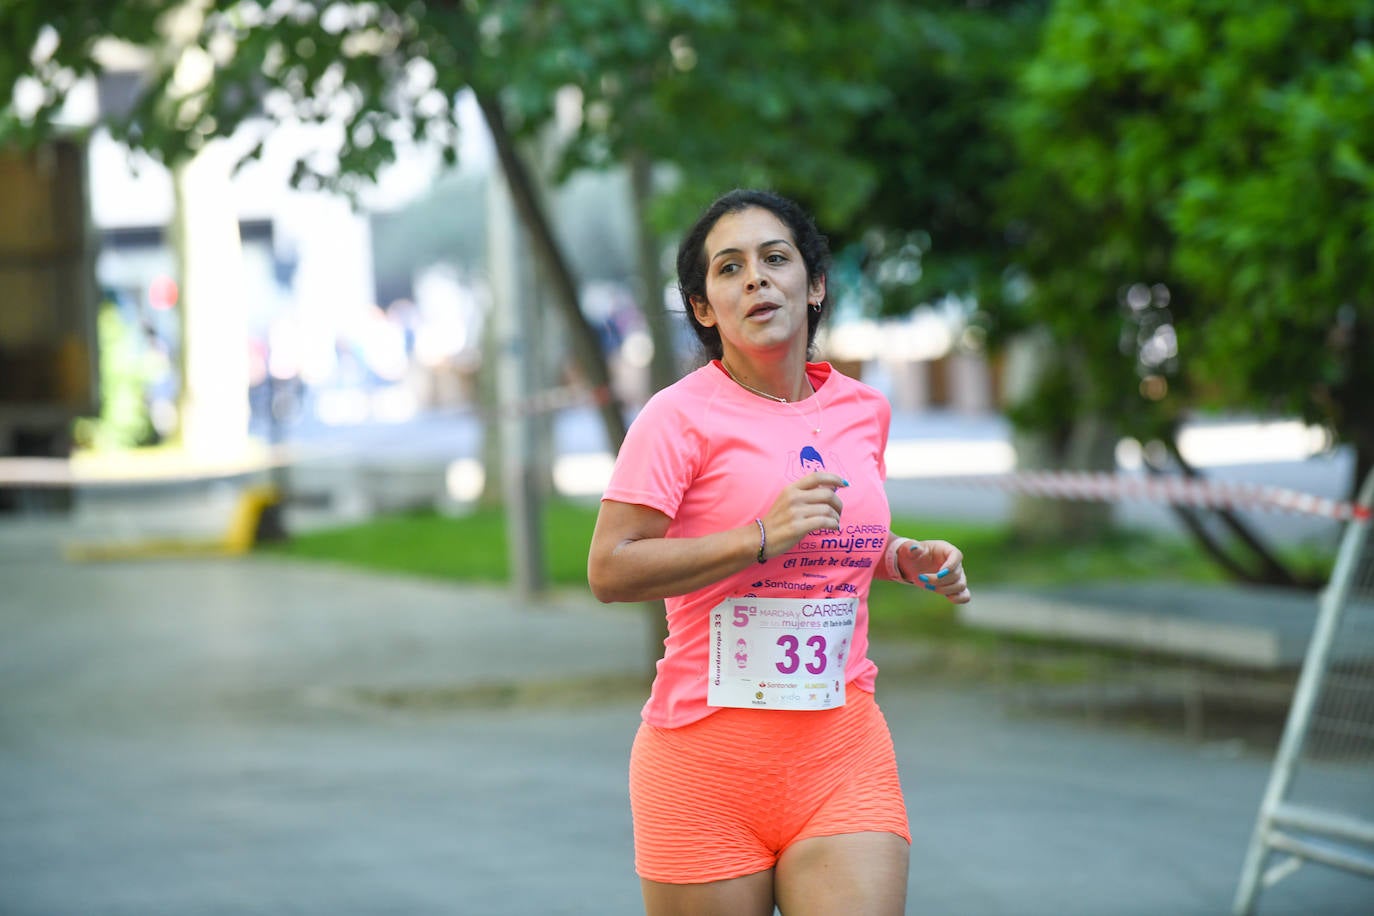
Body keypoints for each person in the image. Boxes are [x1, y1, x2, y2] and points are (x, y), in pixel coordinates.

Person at [587, 188, 971, 915]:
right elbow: (610, 568)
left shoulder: (863, 410)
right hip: (703, 764)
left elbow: (835, 535)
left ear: (815, 283)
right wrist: (757, 536)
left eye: (775, 258)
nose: (756, 279)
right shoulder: (676, 419)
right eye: (729, 269)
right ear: (704, 308)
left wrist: (899, 557)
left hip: (841, 748)